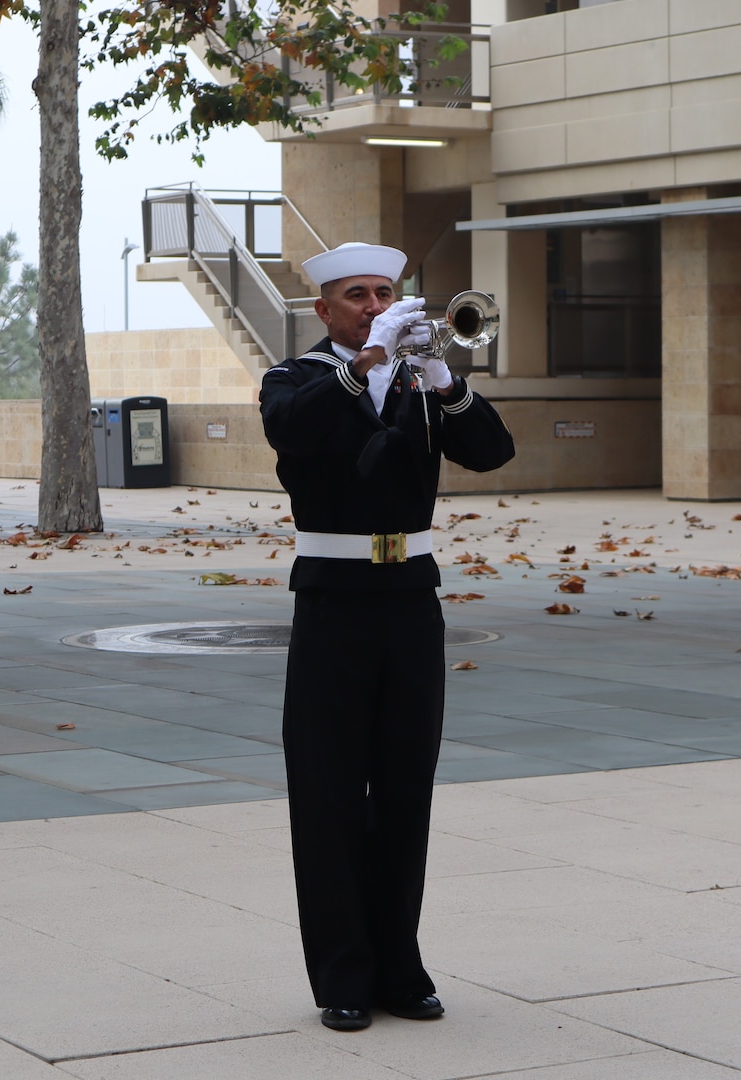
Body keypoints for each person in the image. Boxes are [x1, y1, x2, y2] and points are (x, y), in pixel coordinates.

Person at [259, 242, 515, 1032]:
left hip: (410, 598)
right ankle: (341, 973)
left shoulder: (418, 382)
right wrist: (365, 363)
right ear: (324, 309)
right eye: (359, 294)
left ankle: (398, 968)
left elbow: (492, 452)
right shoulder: (296, 379)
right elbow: (295, 434)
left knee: (405, 790)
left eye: (386, 292)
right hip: (333, 601)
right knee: (330, 792)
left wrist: (444, 381)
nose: (377, 303)